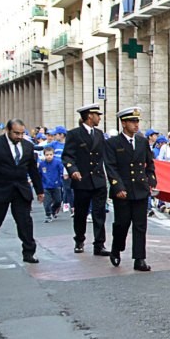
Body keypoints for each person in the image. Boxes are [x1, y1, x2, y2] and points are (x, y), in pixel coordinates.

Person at [0, 119, 44, 264]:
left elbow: (32, 169)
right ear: (8, 131)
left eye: (22, 133)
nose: (19, 136)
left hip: (21, 190)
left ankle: (29, 253)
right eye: (16, 133)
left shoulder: (28, 146)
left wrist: (39, 190)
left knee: (25, 222)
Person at [104, 108, 155, 271]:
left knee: (140, 225)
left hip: (140, 188)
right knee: (122, 223)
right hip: (123, 190)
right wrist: (117, 186)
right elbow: (111, 167)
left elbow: (149, 163)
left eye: (137, 121)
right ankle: (116, 248)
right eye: (132, 121)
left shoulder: (142, 141)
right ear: (123, 123)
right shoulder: (113, 143)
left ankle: (139, 258)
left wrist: (151, 179)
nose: (136, 124)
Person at [62, 104, 110, 255]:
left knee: (99, 213)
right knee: (81, 214)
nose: (99, 118)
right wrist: (73, 170)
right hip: (82, 180)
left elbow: (105, 155)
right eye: (97, 115)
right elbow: (67, 156)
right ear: (90, 116)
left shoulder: (99, 134)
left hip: (98, 180)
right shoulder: (74, 134)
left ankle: (99, 244)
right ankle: (79, 240)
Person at [39, 146, 66, 222]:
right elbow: (39, 174)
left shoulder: (57, 163)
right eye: (47, 155)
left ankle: (53, 210)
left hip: (56, 185)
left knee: (58, 201)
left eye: (50, 154)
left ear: (53, 154)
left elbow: (61, 172)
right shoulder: (42, 164)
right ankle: (48, 215)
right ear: (44, 155)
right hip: (45, 186)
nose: (49, 156)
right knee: (47, 202)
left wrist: (62, 179)